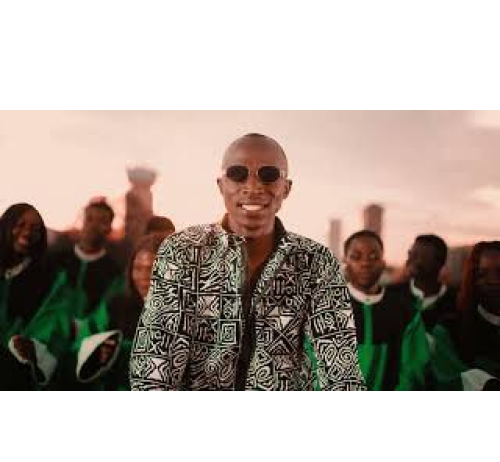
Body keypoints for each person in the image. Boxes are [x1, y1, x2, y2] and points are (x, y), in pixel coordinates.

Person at [130, 133, 366, 391]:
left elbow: (342, 371)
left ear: (286, 188)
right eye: (238, 174)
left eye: (269, 175)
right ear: (221, 185)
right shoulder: (181, 251)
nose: (253, 187)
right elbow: (154, 365)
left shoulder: (316, 262)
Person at [74, 234, 165, 391]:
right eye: (138, 268)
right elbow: (83, 344)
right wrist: (97, 353)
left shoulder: (184, 316)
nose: (144, 277)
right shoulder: (115, 307)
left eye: (153, 269)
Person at [344, 231, 430, 391]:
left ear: (383, 263)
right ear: (345, 262)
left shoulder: (406, 312)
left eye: (373, 257)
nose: (365, 263)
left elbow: (413, 370)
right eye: (356, 257)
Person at [0, 204, 62, 388]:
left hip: (15, 374)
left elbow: (51, 325)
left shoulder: (48, 279)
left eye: (35, 229)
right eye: (20, 225)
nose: (27, 233)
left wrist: (33, 347)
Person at [432, 242, 500, 391]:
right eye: (482, 274)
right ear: (472, 280)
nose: (493, 281)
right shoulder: (448, 331)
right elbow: (451, 380)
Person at [47, 199, 123, 326]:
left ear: (109, 228)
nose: (93, 226)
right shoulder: (55, 261)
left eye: (102, 221)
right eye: (89, 219)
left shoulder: (114, 273)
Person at [395, 235, 457, 333]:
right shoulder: (391, 295)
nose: (410, 260)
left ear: (440, 262)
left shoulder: (457, 302)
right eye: (411, 254)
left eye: (421, 256)